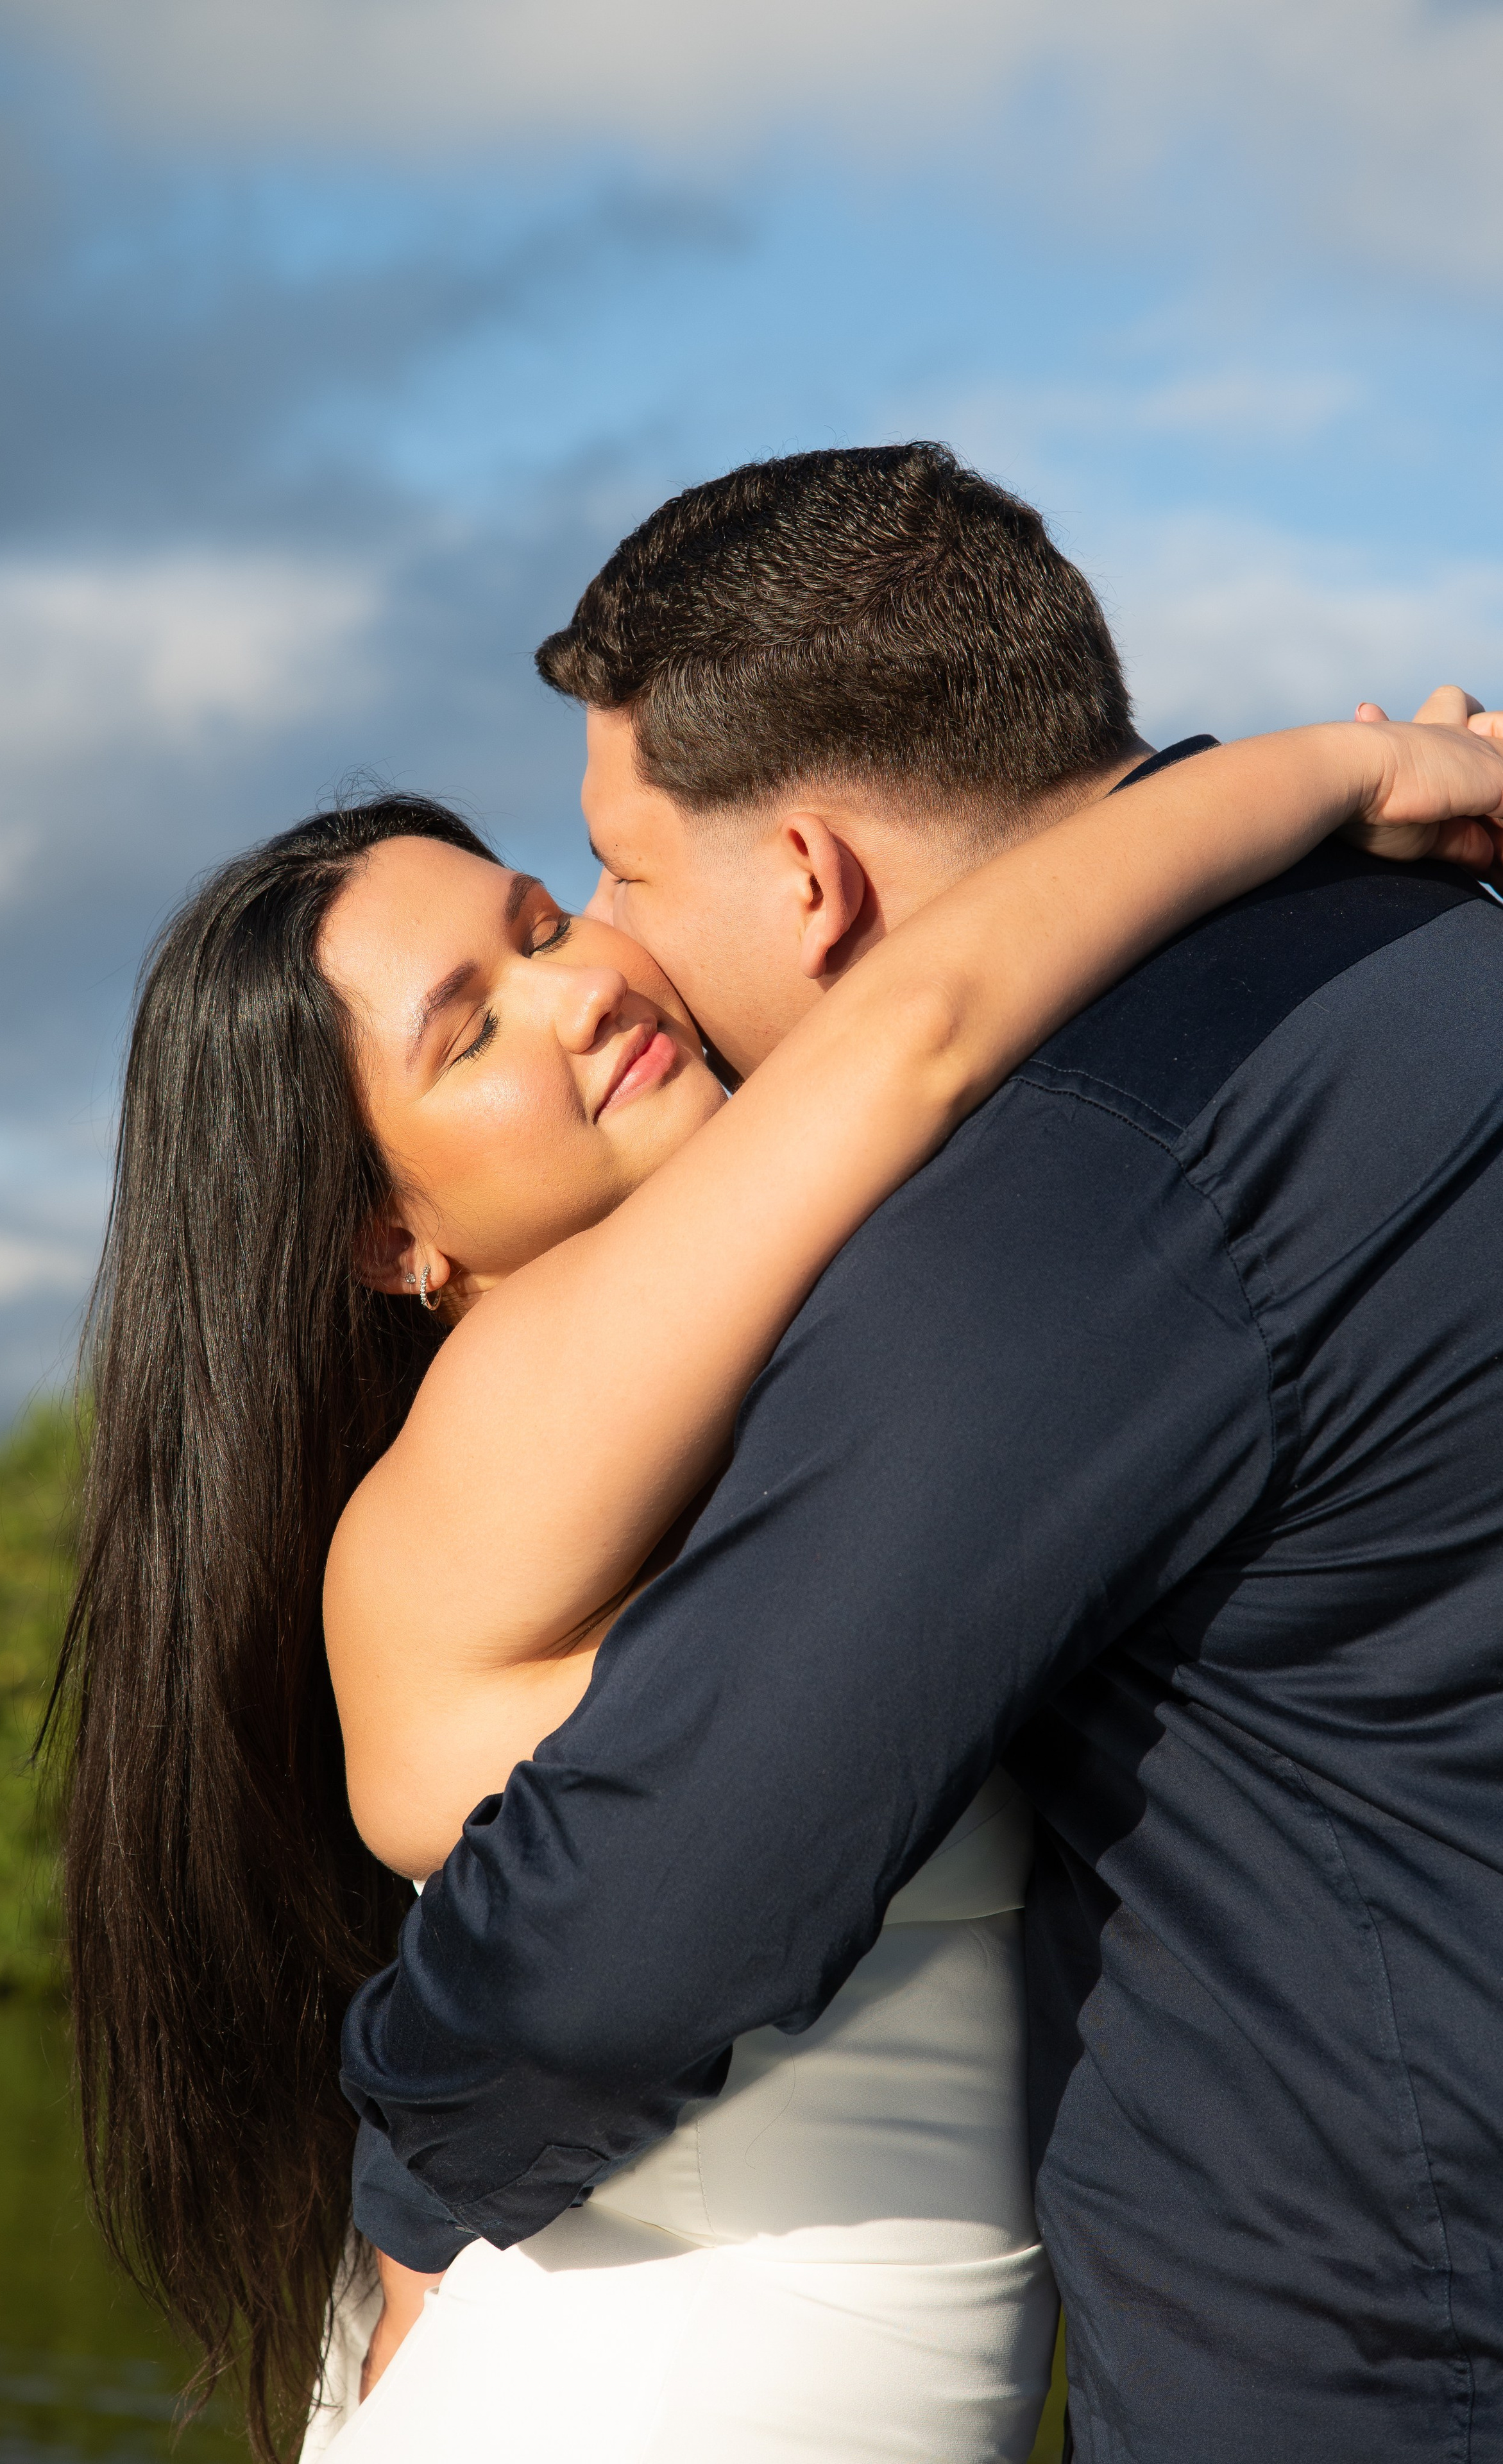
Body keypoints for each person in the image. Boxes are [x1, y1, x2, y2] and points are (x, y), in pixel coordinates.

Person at [334, 447, 1503, 2463]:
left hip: (1377, 2343)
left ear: (807, 877)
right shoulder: (1426, 959)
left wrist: (404, 2175)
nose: (610, 954)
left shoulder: (1071, 1185)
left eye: (601, 879)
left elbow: (619, 1943)